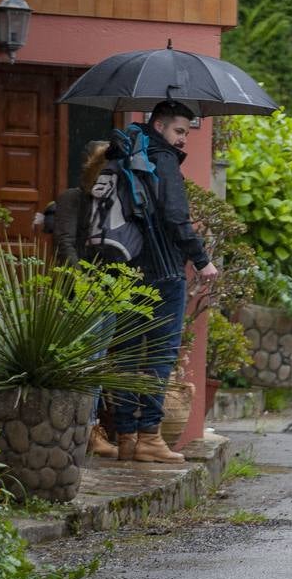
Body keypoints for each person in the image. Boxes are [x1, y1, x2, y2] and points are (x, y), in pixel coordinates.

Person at [108, 100, 218, 463]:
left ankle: (124, 436)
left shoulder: (122, 151)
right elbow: (174, 214)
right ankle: (150, 438)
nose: (183, 140)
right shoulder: (163, 158)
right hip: (163, 269)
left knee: (124, 353)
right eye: (179, 131)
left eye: (185, 132)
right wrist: (202, 260)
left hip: (126, 267)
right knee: (159, 354)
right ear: (159, 126)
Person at [48, 141, 121, 458]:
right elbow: (65, 244)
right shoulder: (72, 199)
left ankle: (90, 428)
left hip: (108, 294)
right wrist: (83, 284)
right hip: (78, 295)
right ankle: (80, 428)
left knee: (98, 363)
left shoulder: (115, 204)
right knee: (82, 363)